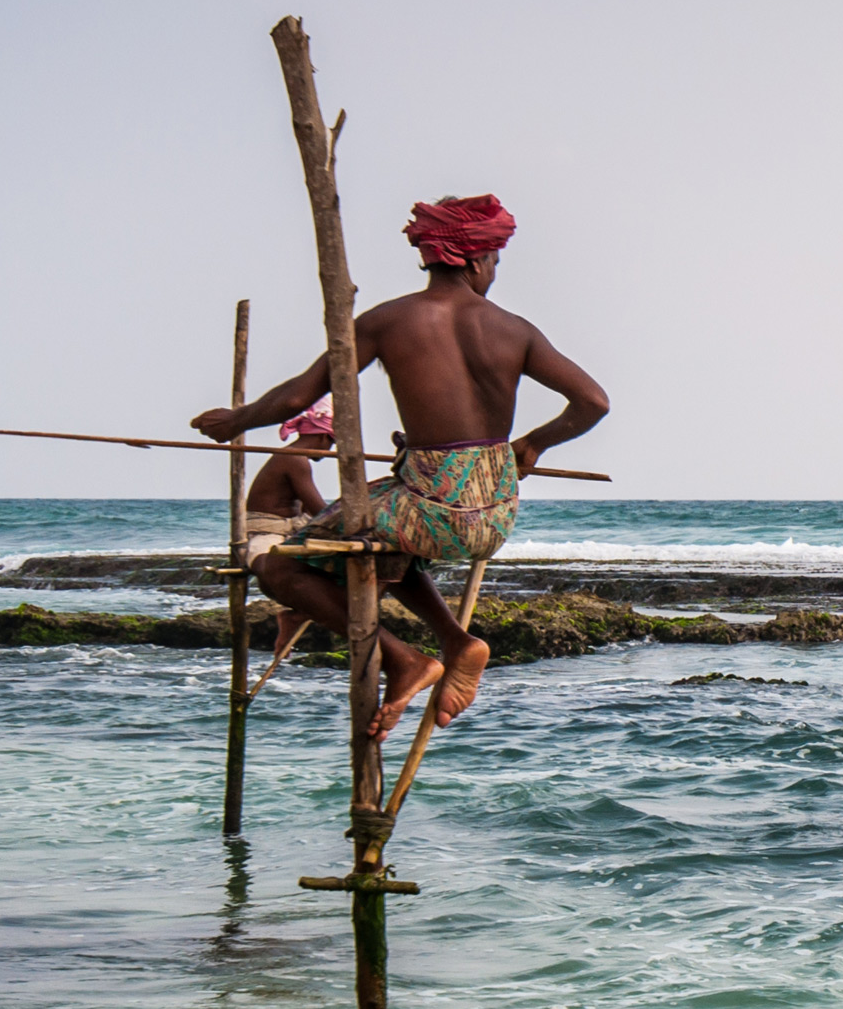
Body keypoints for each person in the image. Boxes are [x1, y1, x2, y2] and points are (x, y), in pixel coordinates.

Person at [193, 194, 610, 738]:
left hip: (431, 507)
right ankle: (457, 642)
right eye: (495, 263)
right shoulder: (516, 329)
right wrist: (532, 445)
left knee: (277, 567)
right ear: (475, 259)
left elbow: (299, 394)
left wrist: (237, 421)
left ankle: (404, 660)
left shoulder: (388, 321)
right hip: (494, 512)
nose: (493, 274)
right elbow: (593, 403)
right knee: (386, 538)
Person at [241, 403, 334, 686]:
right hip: (266, 534)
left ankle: (297, 614)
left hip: (290, 530)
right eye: (332, 442)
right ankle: (294, 614)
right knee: (270, 571)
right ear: (323, 437)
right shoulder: (295, 460)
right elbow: (321, 511)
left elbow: (310, 513)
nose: (331, 450)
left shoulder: (296, 460)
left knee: (331, 573)